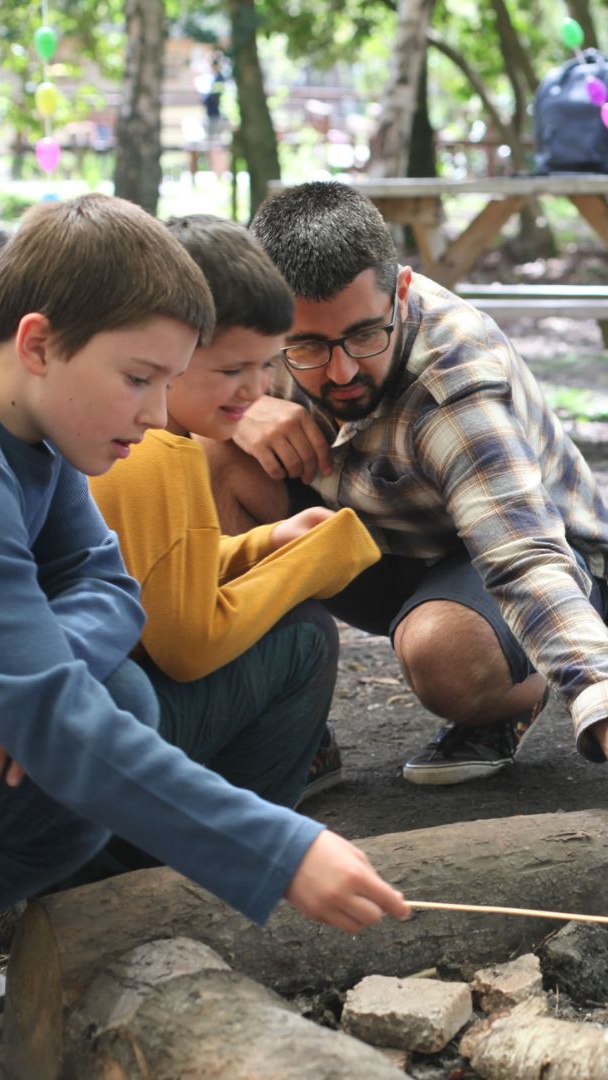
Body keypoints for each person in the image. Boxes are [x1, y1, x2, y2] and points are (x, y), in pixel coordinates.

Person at [0, 193, 408, 1050]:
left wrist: (14, 686)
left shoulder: (22, 410)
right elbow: (60, 722)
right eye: (139, 379)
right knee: (59, 779)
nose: (153, 413)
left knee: (111, 699)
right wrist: (277, 850)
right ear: (38, 342)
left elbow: (104, 583)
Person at [205, 181, 608, 838]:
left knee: (443, 652)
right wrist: (237, 411)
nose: (339, 374)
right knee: (210, 455)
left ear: (403, 292)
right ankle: (293, 727)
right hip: (373, 531)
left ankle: (507, 696)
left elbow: (522, 556)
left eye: (364, 335)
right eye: (305, 348)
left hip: (500, 550)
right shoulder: (251, 340)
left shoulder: (454, 380)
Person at [86, 212, 380, 827]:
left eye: (268, 364)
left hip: (65, 728)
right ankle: (227, 840)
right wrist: (315, 559)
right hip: (85, 746)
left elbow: (147, 572)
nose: (256, 391)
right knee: (304, 634)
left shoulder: (100, 423)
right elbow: (189, 646)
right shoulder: (157, 453)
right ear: (167, 351)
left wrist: (266, 542)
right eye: (230, 370)